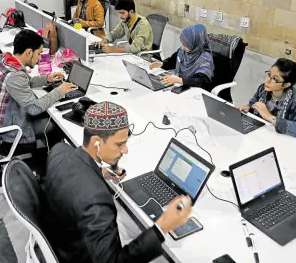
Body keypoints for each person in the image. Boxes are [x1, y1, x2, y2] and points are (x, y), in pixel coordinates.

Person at [42, 101, 192, 263]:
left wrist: (97, 171)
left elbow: (73, 173)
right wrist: (162, 227)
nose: (125, 150)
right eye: (120, 144)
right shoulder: (96, 199)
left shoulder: (60, 150)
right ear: (96, 142)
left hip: (60, 233)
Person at [0, 29, 78, 150]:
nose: (40, 59)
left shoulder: (4, 60)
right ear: (29, 52)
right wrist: (59, 91)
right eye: (39, 53)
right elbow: (33, 108)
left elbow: (24, 83)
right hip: (3, 138)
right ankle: (50, 163)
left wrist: (47, 78)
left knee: (46, 114)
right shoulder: (15, 76)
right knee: (54, 126)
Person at [236, 58, 296, 140]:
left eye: (274, 79)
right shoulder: (263, 89)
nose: (267, 80)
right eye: (269, 74)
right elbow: (254, 102)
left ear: (286, 85)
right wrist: (248, 107)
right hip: (263, 136)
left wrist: (269, 117)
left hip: (285, 142)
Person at [149, 24, 214, 91]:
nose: (182, 47)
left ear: (196, 43)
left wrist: (179, 80)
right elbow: (172, 61)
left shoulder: (205, 59)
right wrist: (161, 64)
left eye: (185, 45)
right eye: (182, 43)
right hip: (179, 85)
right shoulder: (184, 51)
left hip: (194, 91)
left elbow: (200, 81)